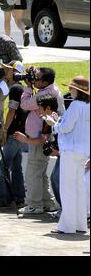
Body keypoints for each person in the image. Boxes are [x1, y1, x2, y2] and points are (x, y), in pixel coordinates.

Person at [45, 76, 89, 234]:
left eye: (72, 88)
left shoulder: (75, 105)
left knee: (68, 189)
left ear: (77, 90)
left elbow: (65, 128)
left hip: (71, 152)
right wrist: (59, 122)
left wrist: (53, 123)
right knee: (78, 188)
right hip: (83, 152)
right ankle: (80, 225)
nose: (70, 90)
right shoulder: (87, 106)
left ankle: (67, 226)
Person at [19, 67, 64, 214]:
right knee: (40, 173)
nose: (34, 80)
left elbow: (24, 105)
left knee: (33, 173)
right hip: (43, 136)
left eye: (37, 78)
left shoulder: (44, 94)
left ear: (45, 82)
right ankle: (47, 203)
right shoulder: (52, 88)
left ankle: (34, 205)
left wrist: (28, 88)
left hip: (39, 138)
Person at [13, 95, 60, 211]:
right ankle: (47, 204)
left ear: (48, 108)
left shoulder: (49, 120)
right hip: (44, 150)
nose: (38, 111)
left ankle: (35, 206)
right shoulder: (53, 117)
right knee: (41, 176)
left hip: (38, 148)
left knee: (32, 176)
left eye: (39, 108)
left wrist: (25, 140)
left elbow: (43, 139)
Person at [0, 60, 28, 207]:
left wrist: (5, 129)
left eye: (8, 70)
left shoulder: (15, 88)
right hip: (21, 133)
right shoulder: (22, 88)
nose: (6, 72)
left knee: (2, 167)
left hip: (14, 133)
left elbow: (12, 111)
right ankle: (19, 198)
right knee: (16, 167)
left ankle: (4, 199)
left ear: (15, 72)